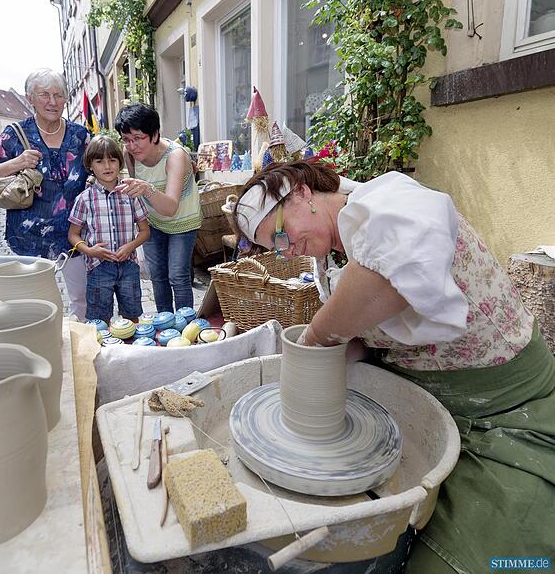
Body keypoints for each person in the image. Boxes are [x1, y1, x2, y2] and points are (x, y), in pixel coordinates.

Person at [230, 161, 555, 574]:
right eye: (274, 248)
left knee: (476, 560)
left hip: (505, 407)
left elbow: (393, 277)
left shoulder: (390, 203)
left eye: (280, 234)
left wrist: (316, 339)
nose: (286, 250)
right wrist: (318, 366)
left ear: (301, 193)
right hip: (429, 394)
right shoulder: (333, 257)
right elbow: (371, 337)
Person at [0, 68, 90, 320]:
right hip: (29, 234)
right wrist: (15, 163)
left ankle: (81, 344)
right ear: (31, 98)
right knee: (38, 303)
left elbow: (100, 166)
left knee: (82, 298)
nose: (52, 102)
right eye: (44, 95)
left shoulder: (79, 135)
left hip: (73, 232)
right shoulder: (14, 134)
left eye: (59, 95)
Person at [114, 103, 202, 313]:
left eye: (137, 138)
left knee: (177, 276)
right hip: (154, 222)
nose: (132, 145)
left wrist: (146, 189)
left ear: (154, 135)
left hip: (182, 222)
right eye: (126, 139)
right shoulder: (130, 154)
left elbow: (171, 207)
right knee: (157, 275)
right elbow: (138, 189)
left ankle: (185, 327)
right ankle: (165, 323)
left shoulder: (176, 156)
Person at [68, 136, 150, 323]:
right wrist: (89, 250)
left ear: (119, 163)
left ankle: (131, 351)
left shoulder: (131, 195)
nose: (107, 166)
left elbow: (145, 231)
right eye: (100, 161)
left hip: (128, 266)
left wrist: (130, 246)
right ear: (90, 165)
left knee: (132, 317)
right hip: (98, 268)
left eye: (112, 160)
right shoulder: (85, 198)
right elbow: (73, 234)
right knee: (99, 320)